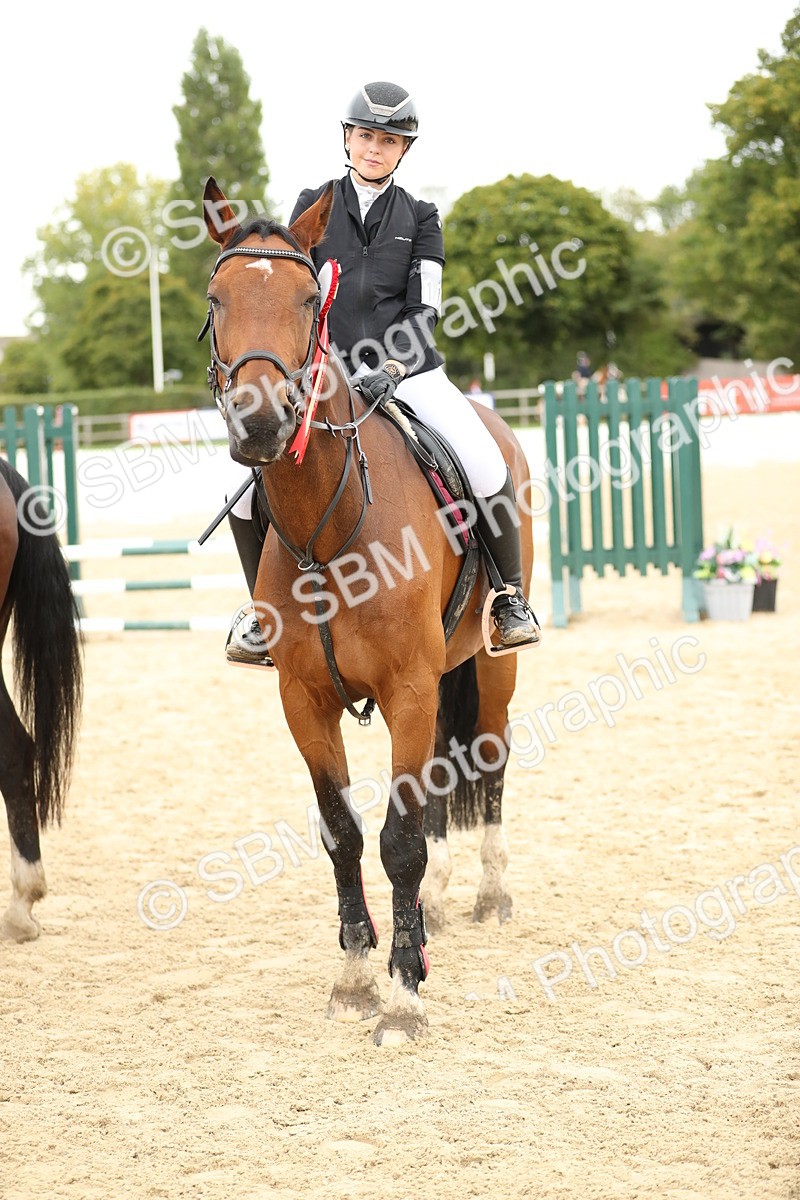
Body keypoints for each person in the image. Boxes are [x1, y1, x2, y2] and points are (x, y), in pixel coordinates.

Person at [225, 81, 539, 668]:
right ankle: (262, 615)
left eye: (389, 140)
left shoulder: (421, 218)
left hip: (410, 370)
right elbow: (295, 290)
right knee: (239, 489)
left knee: (486, 460)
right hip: (326, 373)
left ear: (403, 151)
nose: (375, 148)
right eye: (366, 135)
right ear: (348, 139)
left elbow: (426, 308)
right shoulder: (313, 205)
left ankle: (507, 598)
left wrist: (394, 366)